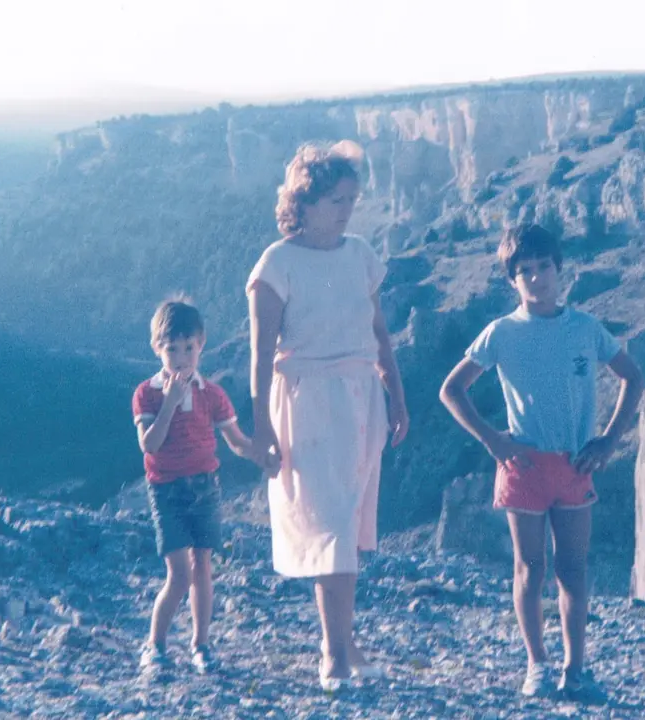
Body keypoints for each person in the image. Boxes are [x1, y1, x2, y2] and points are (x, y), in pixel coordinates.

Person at [439, 223, 644, 702]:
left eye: (543, 268)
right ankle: (536, 664)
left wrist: (609, 441)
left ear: (559, 270)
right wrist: (493, 441)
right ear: (512, 279)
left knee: (573, 570)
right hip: (524, 469)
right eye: (524, 271)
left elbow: (633, 378)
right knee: (529, 569)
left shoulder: (585, 328)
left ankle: (577, 668)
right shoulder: (501, 333)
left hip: (575, 466)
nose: (536, 278)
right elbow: (452, 390)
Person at [247, 141, 409, 691]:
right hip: (306, 402)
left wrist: (397, 393)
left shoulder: (360, 253)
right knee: (332, 528)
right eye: (336, 199)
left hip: (362, 400)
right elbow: (261, 353)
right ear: (304, 200)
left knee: (349, 526)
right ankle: (333, 659)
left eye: (351, 199)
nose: (346, 209)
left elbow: (379, 331)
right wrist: (260, 427)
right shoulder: (276, 264)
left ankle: (345, 644)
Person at [132, 297, 259, 675]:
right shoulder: (148, 393)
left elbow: (235, 440)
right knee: (179, 573)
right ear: (158, 348)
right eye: (172, 349)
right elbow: (149, 443)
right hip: (167, 490)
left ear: (201, 344)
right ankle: (154, 644)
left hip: (205, 488)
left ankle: (201, 645)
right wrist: (171, 401)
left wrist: (264, 454)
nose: (182, 357)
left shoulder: (212, 394)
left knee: (202, 565)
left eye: (189, 348)